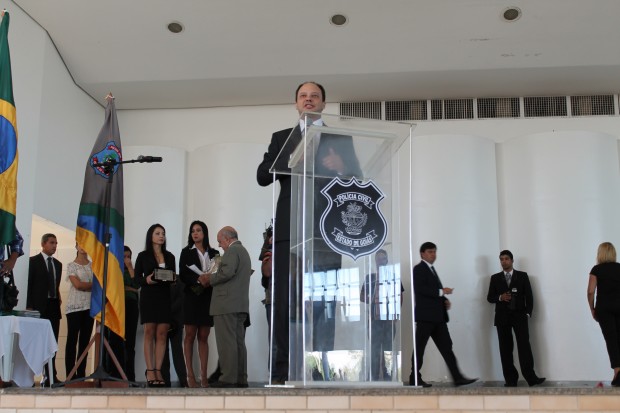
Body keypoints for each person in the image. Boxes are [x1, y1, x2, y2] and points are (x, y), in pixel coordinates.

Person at [256, 81, 361, 384]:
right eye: (303, 96)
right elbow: (262, 175)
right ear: (296, 103)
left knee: (323, 303)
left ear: (324, 104)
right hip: (289, 230)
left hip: (327, 231)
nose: (309, 99)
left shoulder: (339, 138)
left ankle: (320, 372)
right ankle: (281, 373)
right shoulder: (282, 138)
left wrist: (341, 167)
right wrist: (290, 161)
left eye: (315, 96)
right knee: (284, 302)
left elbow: (358, 179)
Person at [410, 242, 477, 387]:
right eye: (430, 252)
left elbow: (434, 291)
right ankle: (414, 378)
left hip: (438, 317)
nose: (433, 254)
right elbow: (421, 289)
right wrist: (442, 292)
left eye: (434, 251)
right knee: (420, 348)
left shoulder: (431, 269)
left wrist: (444, 300)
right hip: (425, 317)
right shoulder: (419, 269)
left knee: (447, 347)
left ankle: (458, 377)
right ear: (422, 254)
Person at [487, 250, 545, 387]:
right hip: (502, 318)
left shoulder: (522, 276)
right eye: (501, 259)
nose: (504, 261)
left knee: (524, 347)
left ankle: (531, 378)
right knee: (505, 349)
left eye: (506, 259)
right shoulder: (495, 278)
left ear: (512, 260)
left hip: (520, 317)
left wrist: (527, 313)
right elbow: (490, 297)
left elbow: (529, 296)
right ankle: (511, 380)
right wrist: (500, 297)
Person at [205, 226, 251, 388]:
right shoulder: (243, 252)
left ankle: (228, 378)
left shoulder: (232, 251)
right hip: (239, 305)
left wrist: (209, 278)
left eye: (220, 241)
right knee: (238, 342)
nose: (219, 245)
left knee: (227, 343)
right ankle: (240, 378)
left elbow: (227, 272)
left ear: (228, 238)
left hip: (226, 304)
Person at [178, 220, 219, 388]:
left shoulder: (215, 252)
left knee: (203, 336)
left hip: (207, 296)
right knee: (189, 335)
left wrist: (209, 279)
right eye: (192, 231)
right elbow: (183, 274)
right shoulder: (186, 252)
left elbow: (218, 271)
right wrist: (198, 279)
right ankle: (190, 376)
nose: (195, 233)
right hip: (191, 297)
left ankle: (203, 377)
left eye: (198, 230)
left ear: (204, 233)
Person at [135, 224, 175, 387]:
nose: (161, 236)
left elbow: (173, 276)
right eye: (157, 233)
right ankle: (150, 370)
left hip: (164, 296)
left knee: (162, 334)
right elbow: (136, 279)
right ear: (150, 236)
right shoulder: (143, 256)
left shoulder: (170, 256)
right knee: (149, 332)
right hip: (149, 297)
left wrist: (172, 278)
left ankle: (158, 370)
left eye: (163, 233)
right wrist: (147, 279)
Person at [360, 249, 403, 381]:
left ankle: (387, 374)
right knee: (374, 348)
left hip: (389, 319)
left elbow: (400, 296)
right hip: (374, 319)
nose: (381, 261)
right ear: (375, 261)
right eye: (378, 259)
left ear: (387, 260)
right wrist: (371, 299)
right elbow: (361, 296)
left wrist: (396, 315)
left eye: (383, 258)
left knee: (388, 348)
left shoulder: (394, 276)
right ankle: (374, 376)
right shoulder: (370, 278)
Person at [27, 233, 62, 386]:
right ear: (43, 244)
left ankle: (50, 375)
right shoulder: (33, 261)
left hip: (53, 306)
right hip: (38, 307)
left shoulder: (58, 264)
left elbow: (56, 284)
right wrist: (29, 305)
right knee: (36, 342)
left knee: (52, 342)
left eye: (56, 243)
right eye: (51, 243)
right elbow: (29, 284)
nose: (54, 246)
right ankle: (31, 376)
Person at [587, 242, 620, 387]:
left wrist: (592, 308)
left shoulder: (596, 269)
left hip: (604, 309)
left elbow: (590, 291)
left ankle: (617, 373)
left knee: (611, 340)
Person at [64, 244, 94, 380]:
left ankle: (81, 374)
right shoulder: (71, 265)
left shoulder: (93, 265)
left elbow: (99, 285)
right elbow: (78, 285)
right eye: (80, 243)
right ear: (76, 246)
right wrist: (92, 286)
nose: (83, 246)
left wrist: (86, 286)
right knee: (72, 340)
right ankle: (70, 375)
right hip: (74, 307)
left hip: (89, 307)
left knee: (84, 342)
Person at [122, 245, 140, 382]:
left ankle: (130, 376)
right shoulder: (116, 269)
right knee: (118, 342)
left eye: (129, 257)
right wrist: (129, 288)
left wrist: (130, 268)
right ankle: (118, 374)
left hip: (132, 305)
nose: (127, 259)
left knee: (130, 342)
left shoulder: (132, 270)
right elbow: (117, 287)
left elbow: (137, 285)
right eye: (124, 257)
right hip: (119, 306)